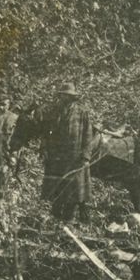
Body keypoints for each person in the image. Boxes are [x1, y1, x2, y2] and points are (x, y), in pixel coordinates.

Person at [42, 83, 94, 223]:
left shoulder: (82, 113)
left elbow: (88, 135)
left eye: (68, 96)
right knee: (56, 187)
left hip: (75, 157)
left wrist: (85, 156)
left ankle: (69, 219)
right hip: (56, 157)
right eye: (63, 95)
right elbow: (46, 133)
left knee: (74, 189)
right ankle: (55, 217)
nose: (64, 98)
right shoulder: (54, 112)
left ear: (72, 98)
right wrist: (45, 150)